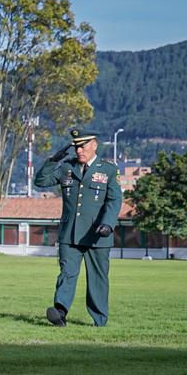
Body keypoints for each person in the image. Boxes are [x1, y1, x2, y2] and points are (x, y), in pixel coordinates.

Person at [34, 128, 123, 327]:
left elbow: (115, 200)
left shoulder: (108, 169)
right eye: (76, 146)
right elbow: (40, 181)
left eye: (82, 146)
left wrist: (108, 224)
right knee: (67, 273)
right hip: (69, 234)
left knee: (97, 278)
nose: (79, 150)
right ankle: (60, 312)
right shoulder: (66, 167)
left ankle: (99, 320)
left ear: (94, 145)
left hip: (97, 235)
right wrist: (53, 160)